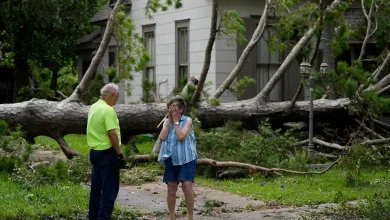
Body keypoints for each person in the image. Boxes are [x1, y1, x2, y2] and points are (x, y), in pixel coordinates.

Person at [87, 83, 125, 220]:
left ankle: (92, 216)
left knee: (96, 189)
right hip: (107, 153)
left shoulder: (94, 107)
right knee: (109, 190)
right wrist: (119, 153)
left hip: (95, 152)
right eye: (117, 97)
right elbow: (112, 133)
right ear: (112, 95)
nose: (117, 101)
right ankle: (103, 217)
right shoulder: (108, 110)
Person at [158, 95, 197, 220]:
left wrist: (176, 122)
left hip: (186, 158)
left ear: (181, 109)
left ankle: (191, 217)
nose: (172, 110)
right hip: (171, 158)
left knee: (187, 186)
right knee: (171, 187)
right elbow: (162, 137)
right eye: (170, 108)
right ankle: (172, 217)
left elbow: (181, 136)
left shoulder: (188, 121)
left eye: (174, 107)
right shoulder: (166, 122)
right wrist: (169, 121)